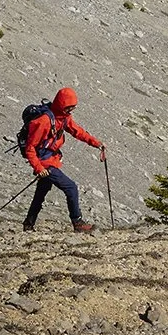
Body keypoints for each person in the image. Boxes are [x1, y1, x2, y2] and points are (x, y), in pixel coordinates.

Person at [22, 86, 105, 233]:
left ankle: (29, 223)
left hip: (51, 159)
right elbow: (30, 148)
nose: (71, 111)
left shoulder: (63, 117)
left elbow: (77, 131)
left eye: (72, 108)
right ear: (62, 105)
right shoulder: (43, 121)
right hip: (45, 162)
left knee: (41, 192)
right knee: (71, 187)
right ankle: (77, 222)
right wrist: (39, 168)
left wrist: (96, 143)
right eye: (69, 107)